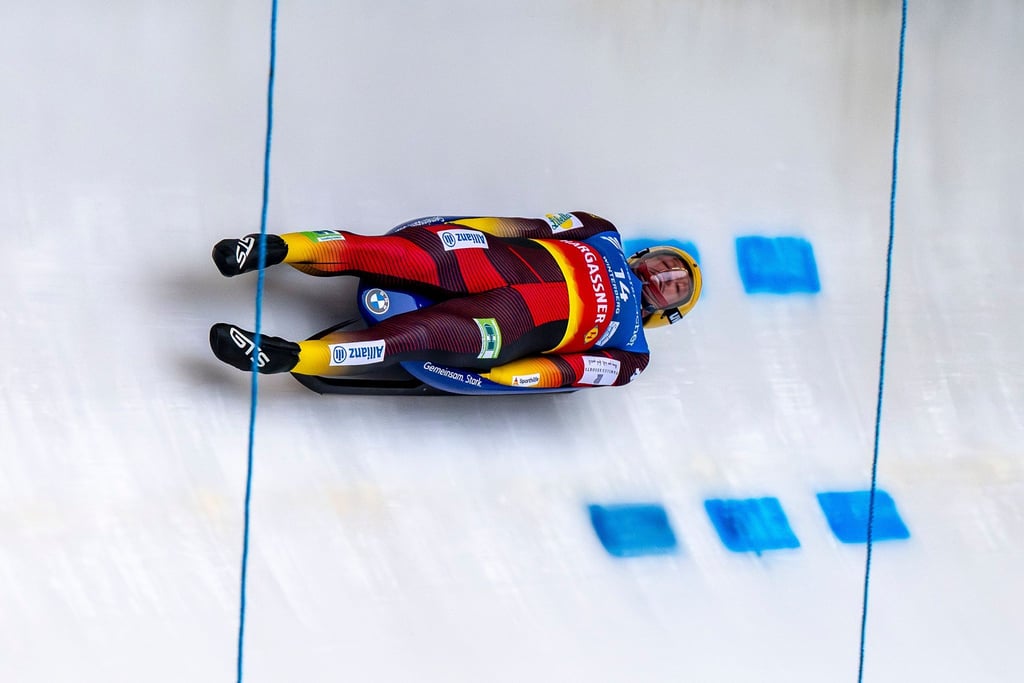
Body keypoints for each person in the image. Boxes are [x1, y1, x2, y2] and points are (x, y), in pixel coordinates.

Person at [209, 212, 701, 389]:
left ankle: (288, 356)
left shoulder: (632, 353)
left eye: (675, 285)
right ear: (648, 254)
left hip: (509, 325)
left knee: (413, 338)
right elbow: (527, 227)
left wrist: (505, 377)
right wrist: (465, 230)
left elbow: (570, 371)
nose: (663, 276)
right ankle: (275, 247)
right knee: (394, 253)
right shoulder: (601, 232)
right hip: (491, 260)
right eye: (667, 263)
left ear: (667, 311)